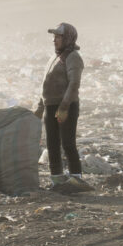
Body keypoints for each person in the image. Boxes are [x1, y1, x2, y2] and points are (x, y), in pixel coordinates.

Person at [41, 21, 83, 184]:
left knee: (67, 143)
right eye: (54, 36)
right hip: (49, 106)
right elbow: (46, 82)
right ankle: (57, 179)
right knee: (52, 143)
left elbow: (74, 84)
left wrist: (64, 107)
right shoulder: (55, 57)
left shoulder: (73, 58)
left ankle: (76, 179)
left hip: (66, 106)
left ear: (68, 39)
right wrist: (39, 107)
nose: (54, 40)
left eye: (59, 37)